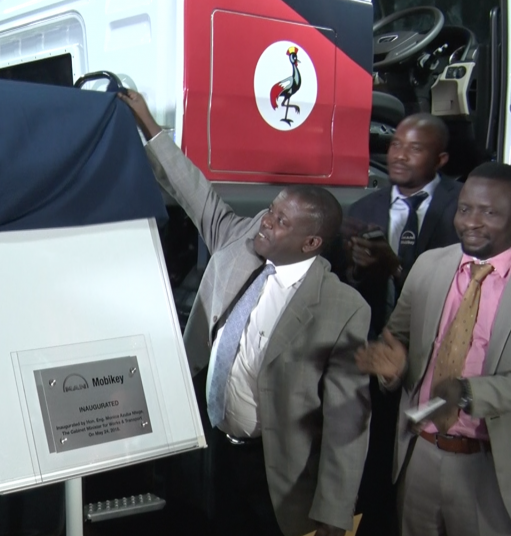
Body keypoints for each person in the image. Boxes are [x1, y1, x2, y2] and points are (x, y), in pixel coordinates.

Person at [120, 90, 371, 536]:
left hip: (273, 473)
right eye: (271, 211)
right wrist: (148, 124)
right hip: (210, 447)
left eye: (281, 221)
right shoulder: (240, 239)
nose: (266, 222)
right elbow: (193, 190)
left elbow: (346, 420)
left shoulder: (342, 309)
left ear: (311, 243)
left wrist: (334, 511)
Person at [356, 161, 511, 536]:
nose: (470, 222)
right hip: (419, 454)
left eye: (489, 213)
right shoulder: (430, 265)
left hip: (493, 467)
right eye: (464, 208)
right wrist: (392, 369)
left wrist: (470, 392)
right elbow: (398, 341)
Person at [340, 112, 460, 536]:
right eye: (395, 145)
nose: (400, 155)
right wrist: (359, 269)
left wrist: (395, 268)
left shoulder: (464, 208)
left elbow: (456, 286)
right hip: (375, 358)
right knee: (374, 463)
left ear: (440, 159)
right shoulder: (365, 208)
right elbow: (347, 285)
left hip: (435, 360)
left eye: (415, 148)